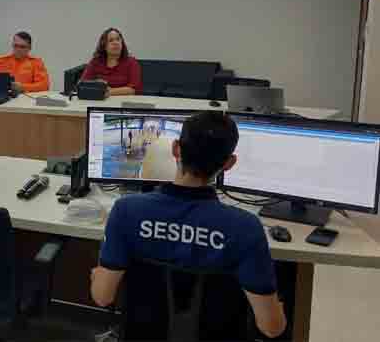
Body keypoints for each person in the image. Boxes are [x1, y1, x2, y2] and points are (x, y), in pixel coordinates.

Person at [89, 111, 287, 339]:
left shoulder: (126, 211)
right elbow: (272, 328)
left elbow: (102, 297)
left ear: (176, 149)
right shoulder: (246, 228)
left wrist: (97, 277)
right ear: (229, 163)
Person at [80, 28, 142, 96]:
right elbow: (82, 84)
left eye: (118, 39)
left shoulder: (132, 62)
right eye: (111, 40)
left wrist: (107, 91)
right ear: (104, 46)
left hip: (123, 102)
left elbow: (133, 89)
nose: (115, 43)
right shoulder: (95, 62)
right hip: (99, 102)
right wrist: (97, 85)